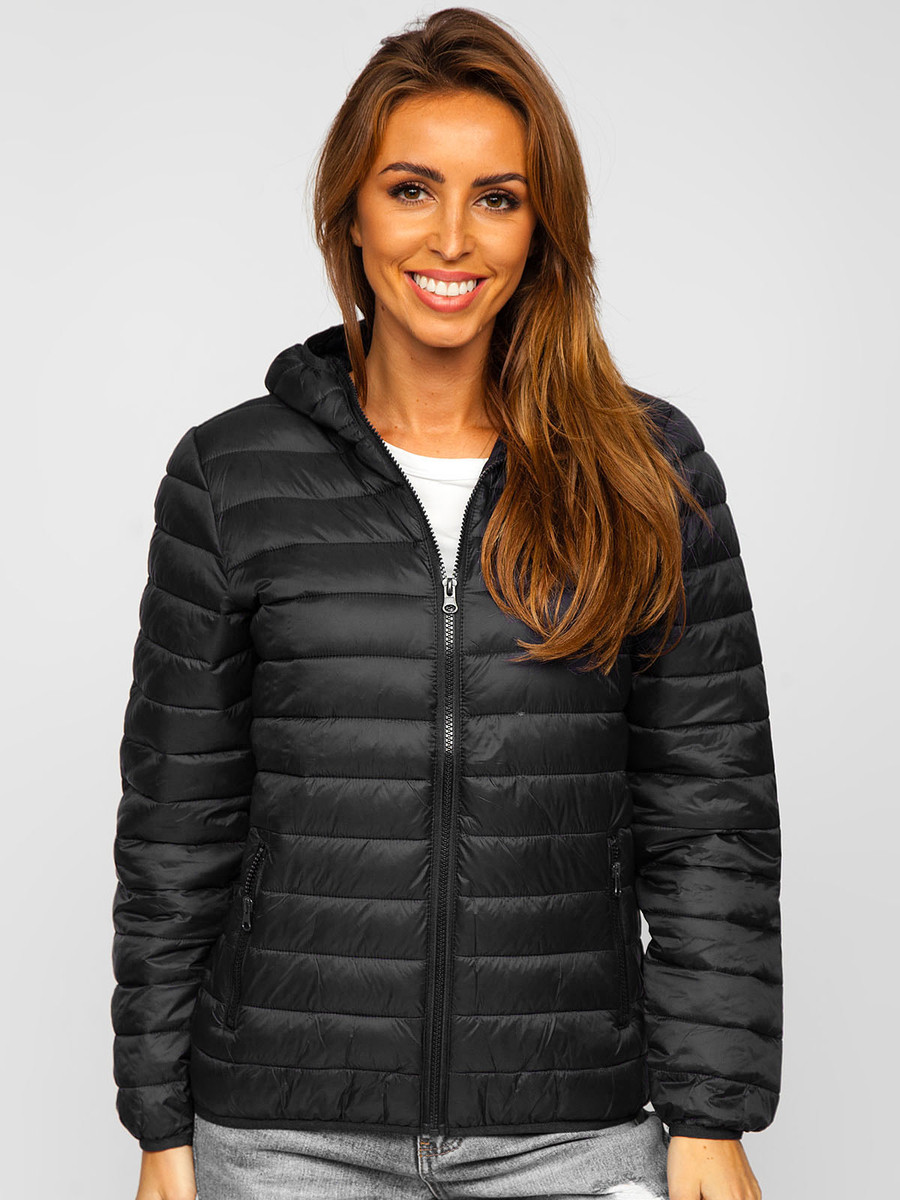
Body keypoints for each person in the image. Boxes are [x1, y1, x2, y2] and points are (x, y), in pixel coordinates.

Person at [111, 8, 782, 1199]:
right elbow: (178, 827)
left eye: (499, 198)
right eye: (412, 189)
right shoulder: (229, 477)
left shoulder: (647, 470)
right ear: (351, 213)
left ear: (541, 228)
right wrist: (161, 1129)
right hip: (285, 1136)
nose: (453, 237)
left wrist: (711, 1117)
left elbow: (709, 823)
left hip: (570, 1129)